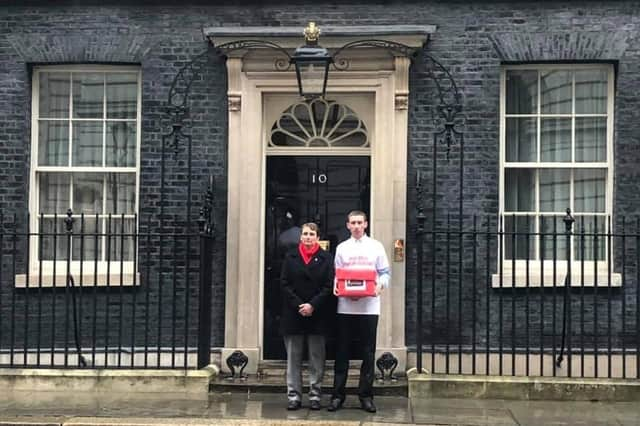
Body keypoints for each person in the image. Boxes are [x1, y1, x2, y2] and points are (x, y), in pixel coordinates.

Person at [328, 210, 390, 414]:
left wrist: (379, 288)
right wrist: (337, 287)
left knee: (368, 353)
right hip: (345, 307)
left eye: (359, 222)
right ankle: (338, 395)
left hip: (369, 308)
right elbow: (337, 275)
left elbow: (385, 273)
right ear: (347, 225)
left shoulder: (376, 246)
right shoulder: (342, 248)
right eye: (352, 222)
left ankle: (366, 396)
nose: (356, 226)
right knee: (342, 352)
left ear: (366, 224)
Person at [279, 222, 334, 411]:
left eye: (312, 234)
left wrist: (313, 305)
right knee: (293, 358)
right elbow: (284, 283)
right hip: (294, 314)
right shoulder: (290, 256)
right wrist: (299, 305)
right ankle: (294, 396)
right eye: (305, 234)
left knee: (316, 358)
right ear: (300, 237)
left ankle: (315, 395)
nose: (308, 237)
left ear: (318, 237)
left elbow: (329, 285)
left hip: (317, 314)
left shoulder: (326, 258)